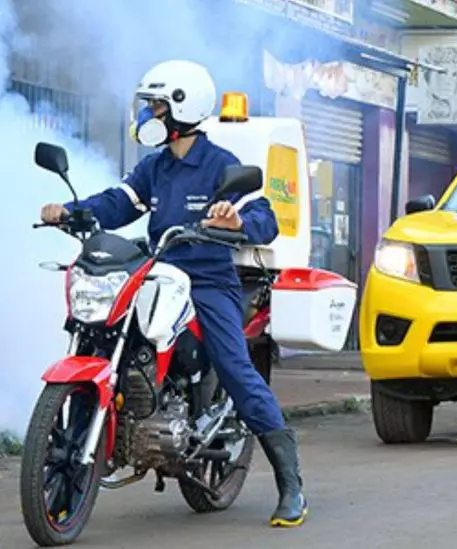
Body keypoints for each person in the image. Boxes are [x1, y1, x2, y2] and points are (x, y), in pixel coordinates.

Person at [39, 60, 308, 528]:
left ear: (183, 108)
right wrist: (70, 210)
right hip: (157, 272)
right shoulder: (155, 167)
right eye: (148, 106)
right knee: (103, 334)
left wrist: (237, 220)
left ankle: (292, 486)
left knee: (235, 369)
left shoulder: (221, 165)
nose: (148, 115)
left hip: (208, 281)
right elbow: (117, 203)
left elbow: (264, 218)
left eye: (156, 107)